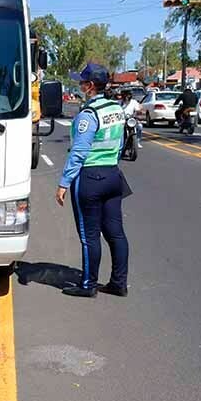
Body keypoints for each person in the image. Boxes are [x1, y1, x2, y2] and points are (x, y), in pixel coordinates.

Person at [56, 63, 130, 298]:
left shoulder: (88, 115)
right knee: (115, 233)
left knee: (89, 236)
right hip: (112, 175)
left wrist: (63, 183)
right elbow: (120, 143)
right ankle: (119, 283)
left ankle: (88, 284)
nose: (79, 86)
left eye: (81, 82)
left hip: (90, 177)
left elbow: (78, 152)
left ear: (89, 86)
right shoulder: (116, 109)